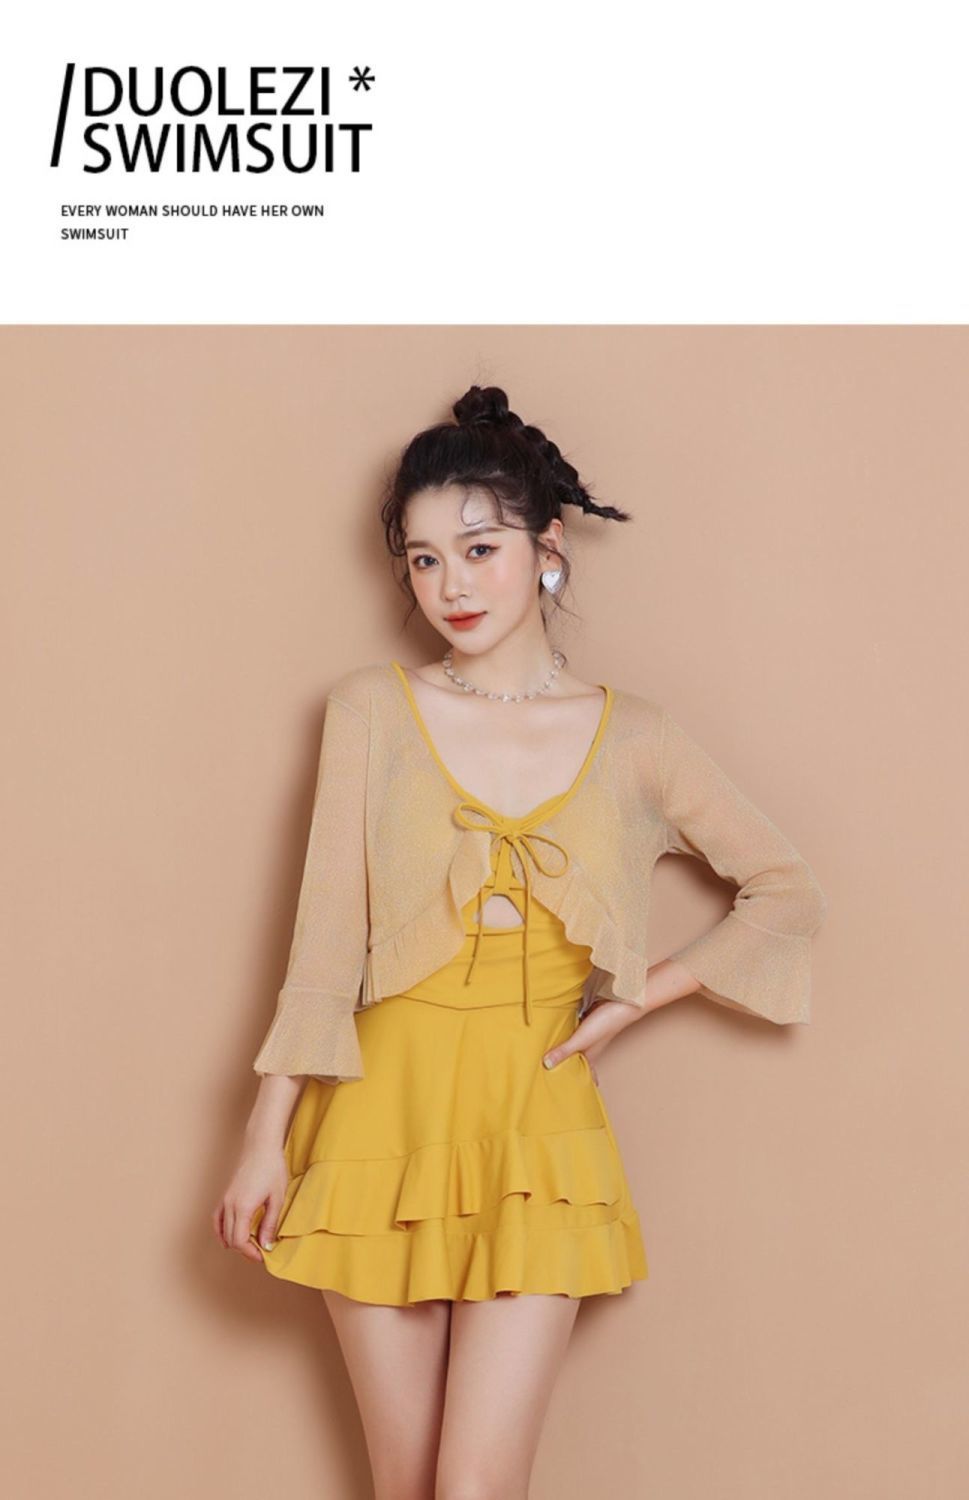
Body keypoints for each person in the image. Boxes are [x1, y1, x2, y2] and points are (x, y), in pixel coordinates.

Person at [213, 384, 827, 1499]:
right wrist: (266, 1138)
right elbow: (323, 949)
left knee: (475, 1490)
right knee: (406, 1487)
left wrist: (635, 1000)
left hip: (537, 1122)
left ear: (548, 551)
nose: (449, 585)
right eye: (423, 559)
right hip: (375, 1117)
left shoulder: (635, 737)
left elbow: (784, 891)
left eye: (478, 549)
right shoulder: (369, 710)